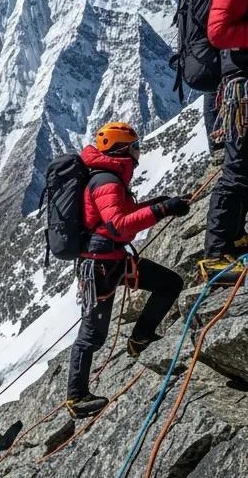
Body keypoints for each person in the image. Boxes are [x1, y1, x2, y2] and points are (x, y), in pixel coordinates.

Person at [65, 123, 187, 418]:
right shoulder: (107, 180)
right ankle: (76, 398)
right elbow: (117, 225)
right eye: (134, 147)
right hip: (102, 266)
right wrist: (162, 210)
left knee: (170, 284)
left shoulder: (107, 178)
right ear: (122, 149)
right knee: (92, 335)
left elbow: (118, 218)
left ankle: (140, 338)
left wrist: (155, 205)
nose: (138, 152)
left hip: (110, 261)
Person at [202, 0, 248, 279]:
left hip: (244, 84)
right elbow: (218, 31)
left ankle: (232, 238)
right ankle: (215, 252)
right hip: (241, 89)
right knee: (236, 169)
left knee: (246, 166)